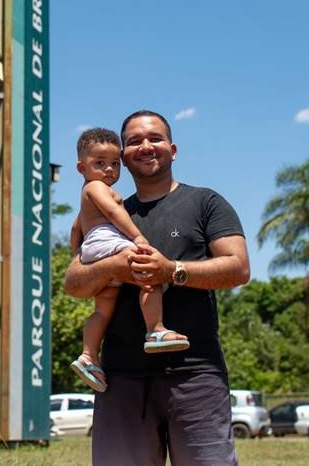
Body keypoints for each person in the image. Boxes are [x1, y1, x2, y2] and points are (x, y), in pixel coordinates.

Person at [64, 110, 250, 466]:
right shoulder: (106, 210)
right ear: (123, 154)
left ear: (173, 149)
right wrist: (115, 265)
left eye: (154, 138)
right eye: (133, 141)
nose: (145, 146)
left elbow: (238, 268)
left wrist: (171, 271)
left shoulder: (205, 202)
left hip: (196, 373)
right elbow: (73, 283)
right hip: (120, 379)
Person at [69, 127, 190, 393]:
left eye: (114, 163)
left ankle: (89, 356)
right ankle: (155, 329)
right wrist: (138, 238)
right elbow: (113, 212)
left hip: (94, 246)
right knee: (150, 275)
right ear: (81, 167)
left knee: (102, 310)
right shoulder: (97, 187)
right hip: (108, 242)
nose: (109, 169)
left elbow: (76, 228)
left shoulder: (85, 196)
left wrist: (77, 255)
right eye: (99, 163)